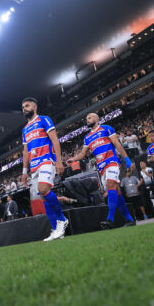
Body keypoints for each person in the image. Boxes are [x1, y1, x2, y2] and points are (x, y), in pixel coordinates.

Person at [66, 113, 135, 229]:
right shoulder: (87, 137)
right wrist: (73, 159)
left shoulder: (106, 128)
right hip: (101, 167)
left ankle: (110, 219)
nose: (87, 120)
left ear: (97, 119)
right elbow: (83, 154)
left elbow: (117, 144)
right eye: (86, 119)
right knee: (116, 192)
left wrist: (127, 159)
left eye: (90, 118)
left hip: (112, 161)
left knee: (110, 185)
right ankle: (129, 219)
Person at [21, 97, 68, 241]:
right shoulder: (24, 129)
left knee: (43, 189)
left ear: (34, 107)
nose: (24, 109)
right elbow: (25, 151)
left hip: (46, 160)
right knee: (43, 197)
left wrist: (59, 161)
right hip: (34, 166)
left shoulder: (44, 119)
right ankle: (56, 230)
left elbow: (54, 140)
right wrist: (24, 171)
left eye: (27, 106)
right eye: (23, 107)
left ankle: (62, 219)